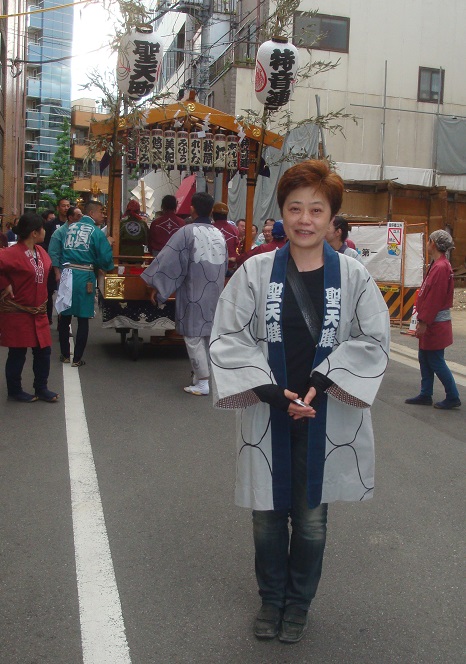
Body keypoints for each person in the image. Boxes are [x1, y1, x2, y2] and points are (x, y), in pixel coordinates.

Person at [210, 159, 390, 643]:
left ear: (332, 218)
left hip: (324, 414)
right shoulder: (255, 272)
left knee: (311, 521)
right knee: (266, 518)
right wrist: (268, 388)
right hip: (267, 411)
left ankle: (298, 605)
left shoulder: (353, 276)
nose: (304, 219)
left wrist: (324, 377)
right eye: (295, 208)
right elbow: (227, 334)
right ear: (282, 213)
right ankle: (271, 600)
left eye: (316, 209)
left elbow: (374, 339)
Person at [141, 192, 228, 396]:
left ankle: (203, 382)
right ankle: (200, 377)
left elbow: (169, 261)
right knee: (207, 336)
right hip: (215, 290)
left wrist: (158, 286)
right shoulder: (219, 234)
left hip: (194, 290)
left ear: (192, 209)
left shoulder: (187, 232)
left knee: (193, 336)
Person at [0, 213, 58, 402]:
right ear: (34, 232)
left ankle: (41, 387)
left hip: (38, 311)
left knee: (44, 351)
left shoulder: (40, 251)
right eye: (42, 229)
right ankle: (14, 390)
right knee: (17, 352)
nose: (45, 232)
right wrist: (4, 283)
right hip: (18, 311)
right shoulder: (11, 253)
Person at [405, 229, 461, 409]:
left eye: (429, 241)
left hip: (434, 322)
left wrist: (423, 321)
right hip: (432, 321)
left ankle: (452, 395)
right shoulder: (438, 265)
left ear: (434, 244)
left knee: (435, 360)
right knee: (425, 357)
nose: (427, 243)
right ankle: (425, 393)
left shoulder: (441, 267)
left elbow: (434, 299)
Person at [55, 200, 114, 367]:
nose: (103, 215)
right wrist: (107, 264)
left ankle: (65, 354)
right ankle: (77, 358)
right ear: (92, 213)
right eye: (101, 212)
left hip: (67, 273)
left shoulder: (69, 228)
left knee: (65, 316)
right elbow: (105, 259)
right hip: (84, 275)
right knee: (82, 318)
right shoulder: (96, 232)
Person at [42, 200, 70, 324]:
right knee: (49, 291)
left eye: (68, 206)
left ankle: (62, 322)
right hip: (51, 262)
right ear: (58, 208)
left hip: (66, 263)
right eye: (63, 206)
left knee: (64, 293)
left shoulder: (72, 225)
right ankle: (48, 318)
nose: (66, 208)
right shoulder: (50, 225)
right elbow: (44, 242)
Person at [212, 201, 239, 274]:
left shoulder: (209, 229)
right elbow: (238, 247)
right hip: (231, 267)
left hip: (213, 267)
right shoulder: (234, 229)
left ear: (213, 214)